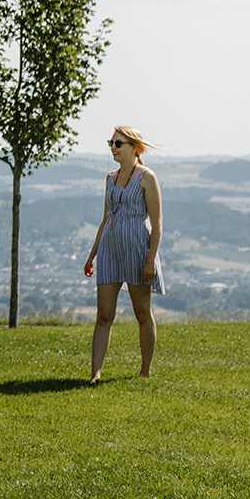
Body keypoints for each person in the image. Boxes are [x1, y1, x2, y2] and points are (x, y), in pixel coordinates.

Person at [83, 125, 164, 382]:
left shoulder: (147, 177)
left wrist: (150, 259)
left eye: (118, 144)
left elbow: (157, 223)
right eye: (111, 143)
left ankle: (145, 371)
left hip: (137, 248)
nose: (113, 148)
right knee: (104, 314)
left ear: (135, 149)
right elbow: (105, 217)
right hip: (110, 248)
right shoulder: (110, 178)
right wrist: (92, 254)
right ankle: (95, 373)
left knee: (142, 313)